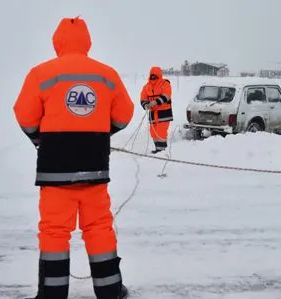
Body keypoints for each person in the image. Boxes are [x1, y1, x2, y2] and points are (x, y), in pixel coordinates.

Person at [13, 17, 134, 299]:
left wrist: (40, 139)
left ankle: (52, 294)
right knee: (99, 228)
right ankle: (110, 291)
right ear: (87, 42)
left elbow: (24, 115)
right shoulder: (106, 75)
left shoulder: (40, 74)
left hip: (55, 173)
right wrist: (101, 132)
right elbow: (125, 114)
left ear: (57, 41)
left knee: (54, 232)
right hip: (94, 170)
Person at [140, 66, 173, 154]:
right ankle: (158, 148)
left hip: (164, 112)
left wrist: (155, 102)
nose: (153, 77)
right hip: (152, 113)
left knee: (161, 132)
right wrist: (145, 104)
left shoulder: (165, 83)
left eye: (155, 75)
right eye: (152, 75)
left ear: (159, 75)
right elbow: (143, 98)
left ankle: (161, 151)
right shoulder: (146, 86)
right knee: (153, 132)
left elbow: (166, 95)